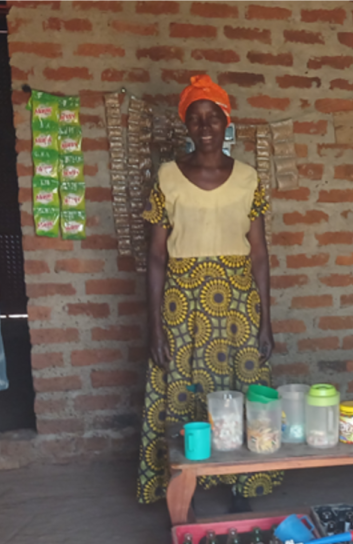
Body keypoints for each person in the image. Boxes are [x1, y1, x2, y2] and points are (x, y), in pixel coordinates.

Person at [137, 75, 283, 511]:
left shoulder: (248, 180)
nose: (205, 127)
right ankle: (188, 485)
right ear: (186, 125)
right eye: (196, 119)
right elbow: (156, 257)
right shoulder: (167, 177)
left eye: (213, 118)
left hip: (238, 302)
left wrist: (266, 319)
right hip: (183, 305)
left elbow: (259, 255)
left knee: (241, 394)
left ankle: (242, 484)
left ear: (226, 123)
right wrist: (156, 327)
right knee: (183, 395)